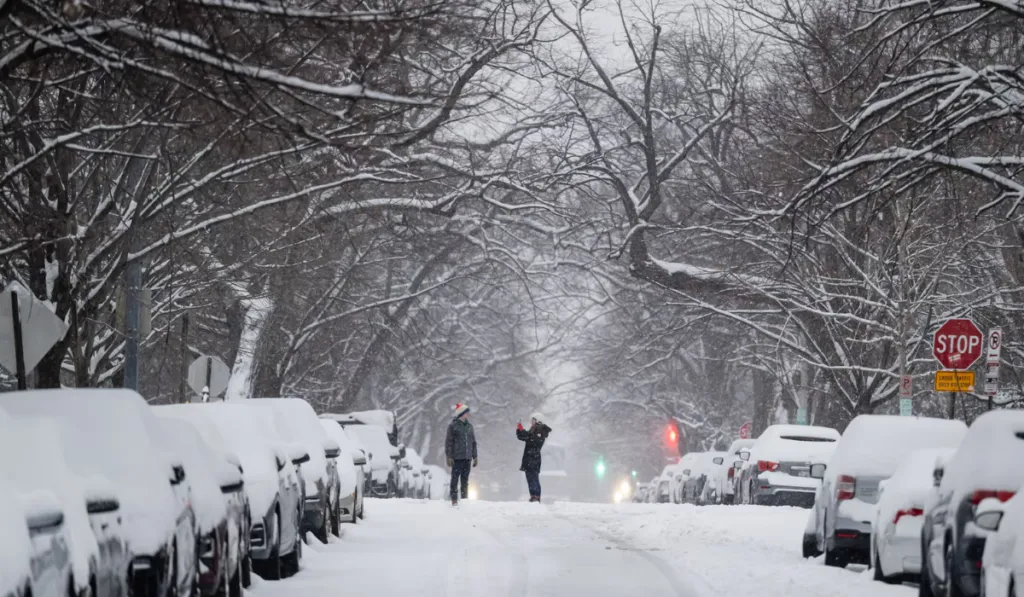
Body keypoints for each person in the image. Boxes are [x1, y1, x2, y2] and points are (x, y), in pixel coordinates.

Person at [445, 403, 478, 505]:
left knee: (465, 480)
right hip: (457, 458)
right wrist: (449, 456)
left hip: (467, 458)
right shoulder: (453, 426)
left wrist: (475, 456)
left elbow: (473, 442)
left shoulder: (469, 427)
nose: (468, 414)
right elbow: (449, 442)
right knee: (455, 479)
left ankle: (464, 499)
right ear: (461, 413)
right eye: (466, 412)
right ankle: (454, 499)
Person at [516, 412, 552, 503]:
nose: (531, 422)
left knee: (534, 478)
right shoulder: (533, 430)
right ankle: (533, 496)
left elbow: (532, 439)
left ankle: (536, 496)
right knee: (529, 478)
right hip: (529, 457)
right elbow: (523, 437)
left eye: (533, 420)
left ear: (538, 420)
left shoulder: (540, 430)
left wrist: (523, 431)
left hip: (533, 458)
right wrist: (519, 429)